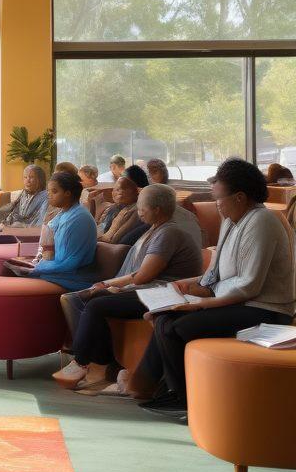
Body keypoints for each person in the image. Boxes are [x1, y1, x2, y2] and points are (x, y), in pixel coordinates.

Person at [132, 158, 296, 419]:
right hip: (238, 303)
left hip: (266, 309)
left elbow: (249, 285)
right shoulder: (233, 220)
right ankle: (174, 392)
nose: (216, 203)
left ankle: (184, 399)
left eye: (219, 198)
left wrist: (203, 301)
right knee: (163, 317)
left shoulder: (263, 222)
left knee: (178, 326)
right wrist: (196, 287)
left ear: (240, 197)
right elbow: (216, 270)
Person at [55, 183, 204, 393]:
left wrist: (108, 284)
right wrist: (108, 285)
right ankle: (104, 365)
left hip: (160, 293)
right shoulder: (154, 230)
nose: (139, 211)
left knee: (96, 304)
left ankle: (83, 362)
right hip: (147, 289)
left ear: (157, 210)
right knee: (84, 298)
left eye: (142, 207)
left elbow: (143, 276)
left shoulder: (168, 234)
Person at [3, 171, 97, 290]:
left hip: (71, 277)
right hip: (58, 271)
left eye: (54, 191)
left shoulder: (77, 218)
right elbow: (47, 247)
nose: (49, 195)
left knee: (11, 277)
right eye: (48, 191)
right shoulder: (64, 213)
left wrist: (36, 268)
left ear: (67, 193)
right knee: (8, 268)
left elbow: (69, 264)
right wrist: (35, 263)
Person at [96, 168, 149, 247]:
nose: (118, 190)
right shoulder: (114, 207)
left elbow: (112, 240)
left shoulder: (136, 211)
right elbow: (100, 229)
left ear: (137, 189)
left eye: (124, 185)